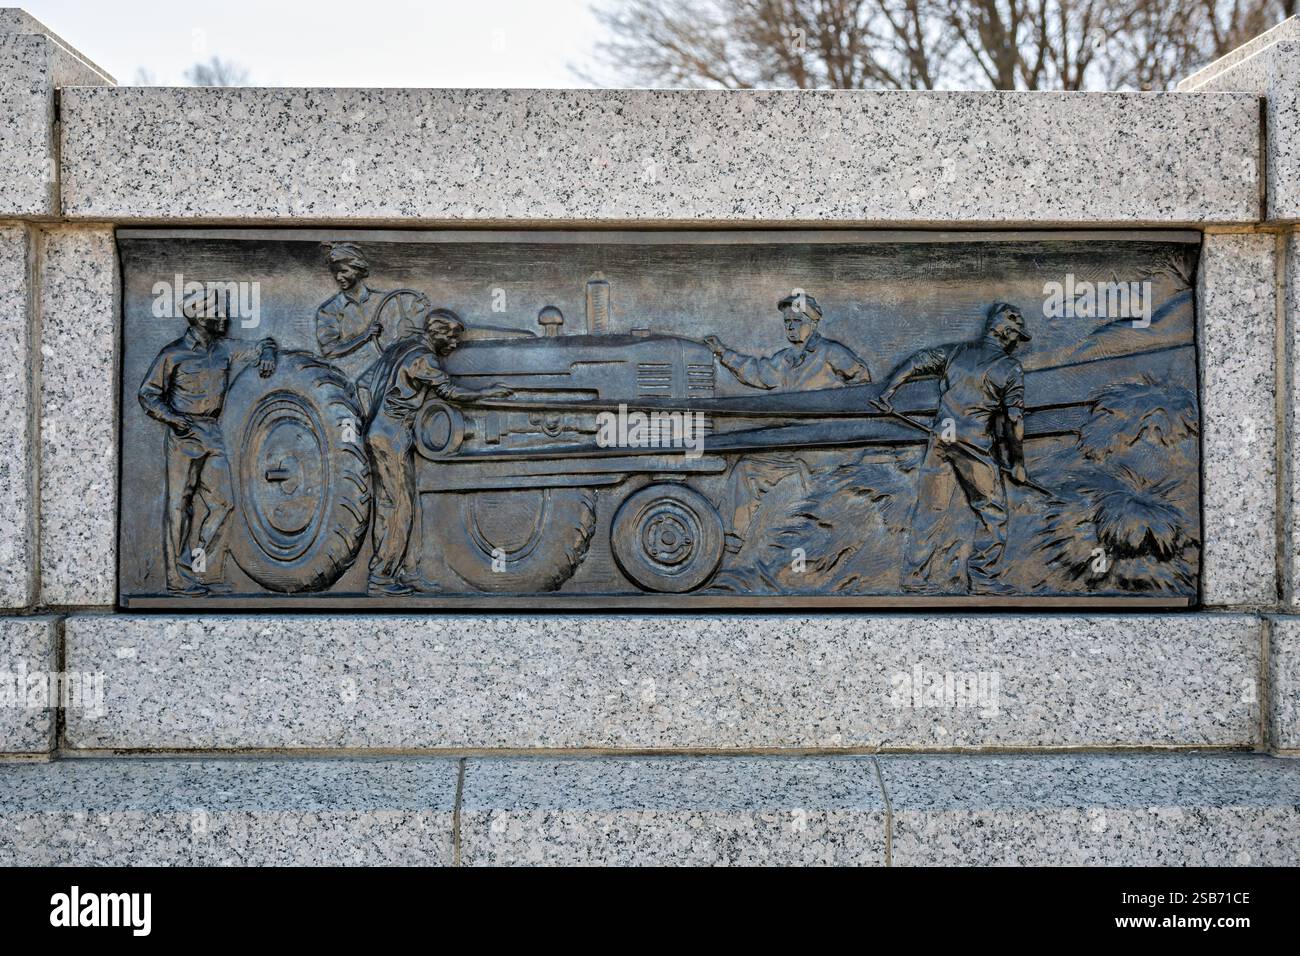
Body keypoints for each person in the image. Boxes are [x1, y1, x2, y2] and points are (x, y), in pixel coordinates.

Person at [874, 302, 1032, 595]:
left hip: (940, 439)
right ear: (1005, 332)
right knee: (992, 511)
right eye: (1015, 335)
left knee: (930, 510)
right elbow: (1014, 418)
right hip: (974, 445)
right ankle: (983, 579)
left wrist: (888, 390)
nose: (1015, 342)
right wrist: (1019, 463)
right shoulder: (1010, 368)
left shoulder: (956, 352)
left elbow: (917, 361)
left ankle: (914, 578)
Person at [703, 292, 872, 554]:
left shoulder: (832, 353)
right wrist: (722, 352)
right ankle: (730, 540)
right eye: (786, 323)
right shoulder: (784, 360)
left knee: (825, 502)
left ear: (811, 322)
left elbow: (863, 383)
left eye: (795, 321)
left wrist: (840, 417)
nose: (790, 327)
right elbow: (756, 372)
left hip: (825, 446)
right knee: (747, 470)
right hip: (790, 444)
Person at [138, 287, 277, 595]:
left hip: (213, 432)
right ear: (201, 316)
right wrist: (173, 419)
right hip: (184, 433)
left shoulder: (225, 349)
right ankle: (177, 578)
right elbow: (147, 394)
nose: (224, 317)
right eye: (218, 312)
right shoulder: (172, 354)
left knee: (223, 503)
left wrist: (267, 353)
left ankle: (203, 570)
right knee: (179, 506)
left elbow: (263, 344)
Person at [364, 309, 512, 595]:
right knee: (397, 508)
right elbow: (450, 392)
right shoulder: (424, 358)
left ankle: (408, 571)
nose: (456, 344)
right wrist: (488, 393)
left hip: (386, 432)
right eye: (454, 337)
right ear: (438, 333)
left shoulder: (403, 348)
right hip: (392, 434)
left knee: (407, 505)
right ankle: (381, 578)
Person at [315, 242, 387, 383]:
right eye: (334, 271)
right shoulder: (329, 310)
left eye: (343, 271)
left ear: (358, 269)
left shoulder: (383, 301)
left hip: (385, 375)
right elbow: (330, 351)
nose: (338, 277)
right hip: (349, 379)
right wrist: (364, 337)